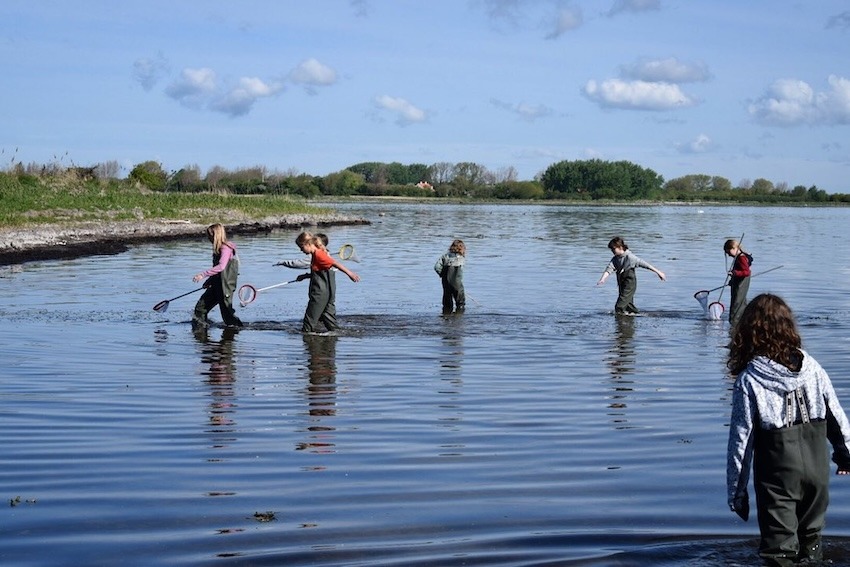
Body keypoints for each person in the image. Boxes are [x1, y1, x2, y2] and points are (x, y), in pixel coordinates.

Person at [726, 293, 850, 566]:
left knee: (779, 551)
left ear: (748, 332)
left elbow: (741, 441)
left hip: (778, 473)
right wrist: (845, 454)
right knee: (812, 542)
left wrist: (737, 491)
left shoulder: (750, 379)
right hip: (817, 468)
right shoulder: (812, 367)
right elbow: (836, 415)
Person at [295, 232, 359, 333]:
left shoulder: (319, 255)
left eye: (301, 247)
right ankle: (335, 341)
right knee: (330, 322)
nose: (301, 250)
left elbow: (335, 263)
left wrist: (349, 273)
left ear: (308, 244)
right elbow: (320, 272)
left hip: (319, 294)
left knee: (308, 323)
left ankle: (308, 342)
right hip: (327, 293)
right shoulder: (319, 253)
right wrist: (305, 276)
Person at [192, 223, 243, 329]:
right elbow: (217, 271)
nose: (208, 238)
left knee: (227, 315)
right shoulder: (217, 250)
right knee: (200, 308)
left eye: (209, 235)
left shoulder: (226, 248)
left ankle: (237, 329)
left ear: (216, 235)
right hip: (216, 284)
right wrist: (209, 281)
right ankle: (200, 333)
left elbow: (221, 267)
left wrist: (203, 275)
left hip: (225, 286)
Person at [596, 236, 665, 315]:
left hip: (629, 283)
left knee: (619, 306)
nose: (612, 251)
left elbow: (644, 264)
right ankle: (634, 320)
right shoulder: (615, 259)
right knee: (628, 306)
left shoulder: (630, 257)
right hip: (621, 282)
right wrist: (602, 279)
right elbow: (609, 269)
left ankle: (621, 323)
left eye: (613, 249)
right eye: (611, 249)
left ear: (620, 247)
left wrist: (658, 272)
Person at [724, 238, 753, 327]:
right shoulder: (741, 257)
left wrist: (734, 273)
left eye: (728, 252)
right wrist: (732, 281)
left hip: (741, 285)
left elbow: (746, 272)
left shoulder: (741, 258)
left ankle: (734, 323)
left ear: (734, 248)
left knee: (737, 304)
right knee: (741, 302)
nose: (728, 255)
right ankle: (746, 321)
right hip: (738, 283)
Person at [434, 239, 466, 314]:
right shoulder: (461, 258)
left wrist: (442, 274)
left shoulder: (445, 256)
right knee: (460, 303)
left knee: (447, 303)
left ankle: (446, 317)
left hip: (446, 282)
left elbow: (436, 267)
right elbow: (460, 272)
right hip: (457, 283)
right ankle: (458, 318)